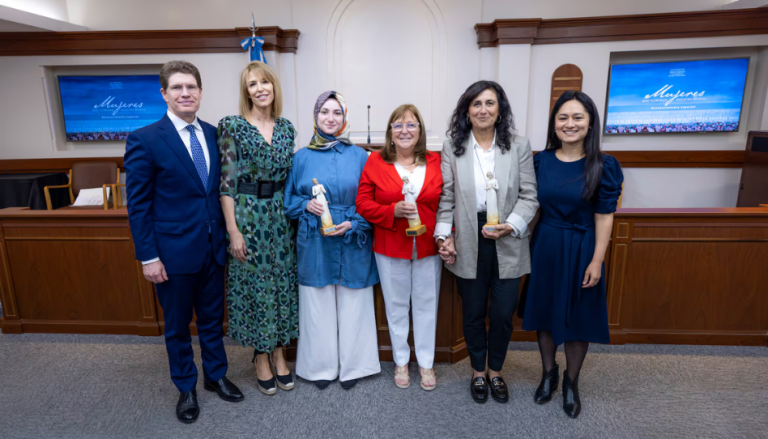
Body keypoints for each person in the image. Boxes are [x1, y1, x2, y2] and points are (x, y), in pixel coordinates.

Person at [125, 60, 244, 424]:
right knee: (178, 327)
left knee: (212, 320)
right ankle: (186, 387)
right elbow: (138, 205)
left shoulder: (214, 134)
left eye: (191, 87)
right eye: (177, 87)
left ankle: (216, 376)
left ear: (201, 92)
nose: (185, 93)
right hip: (172, 254)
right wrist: (149, 257)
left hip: (213, 248)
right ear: (164, 93)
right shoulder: (145, 139)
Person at [521, 90, 624, 418]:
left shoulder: (603, 165)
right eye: (563, 117)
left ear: (590, 123)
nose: (570, 123)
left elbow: (604, 216)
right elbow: (532, 208)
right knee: (546, 312)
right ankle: (548, 374)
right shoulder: (540, 161)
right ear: (554, 124)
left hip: (583, 247)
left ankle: (571, 381)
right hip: (547, 244)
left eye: (578, 117)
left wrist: (597, 260)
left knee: (579, 317)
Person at [435, 80, 538, 404]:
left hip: (508, 234)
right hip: (468, 234)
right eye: (476, 103)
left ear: (499, 110)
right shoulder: (453, 147)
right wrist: (444, 236)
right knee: (474, 311)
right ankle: (478, 371)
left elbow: (529, 196)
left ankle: (496, 371)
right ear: (467, 110)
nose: (483, 110)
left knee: (504, 312)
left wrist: (511, 225)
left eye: (490, 103)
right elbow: (447, 198)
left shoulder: (518, 146)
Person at [284, 91, 380, 390]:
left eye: (337, 112)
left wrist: (353, 222)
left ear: (344, 117)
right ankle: (319, 368)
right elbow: (289, 201)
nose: (330, 118)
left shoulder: (362, 156)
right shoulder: (300, 157)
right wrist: (306, 205)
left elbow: (373, 200)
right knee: (317, 302)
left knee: (355, 302)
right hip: (314, 239)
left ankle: (355, 367)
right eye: (324, 111)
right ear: (316, 116)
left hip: (352, 237)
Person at [218, 61, 299, 396]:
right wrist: (233, 231)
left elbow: (290, 178)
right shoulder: (233, 126)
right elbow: (226, 184)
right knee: (256, 288)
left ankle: (280, 352)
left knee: (281, 285)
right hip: (248, 216)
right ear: (246, 92)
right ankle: (261, 356)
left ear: (274, 87)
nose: (260, 88)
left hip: (280, 217)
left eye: (265, 82)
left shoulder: (287, 129)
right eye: (253, 84)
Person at [356, 104, 443, 391]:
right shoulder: (375, 161)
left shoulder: (435, 161)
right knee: (395, 307)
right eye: (398, 125)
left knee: (427, 305)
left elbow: (447, 203)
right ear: (390, 132)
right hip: (390, 244)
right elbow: (362, 203)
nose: (404, 130)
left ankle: (426, 362)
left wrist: (448, 235)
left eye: (411, 124)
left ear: (420, 131)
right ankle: (401, 361)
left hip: (428, 245)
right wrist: (391, 211)